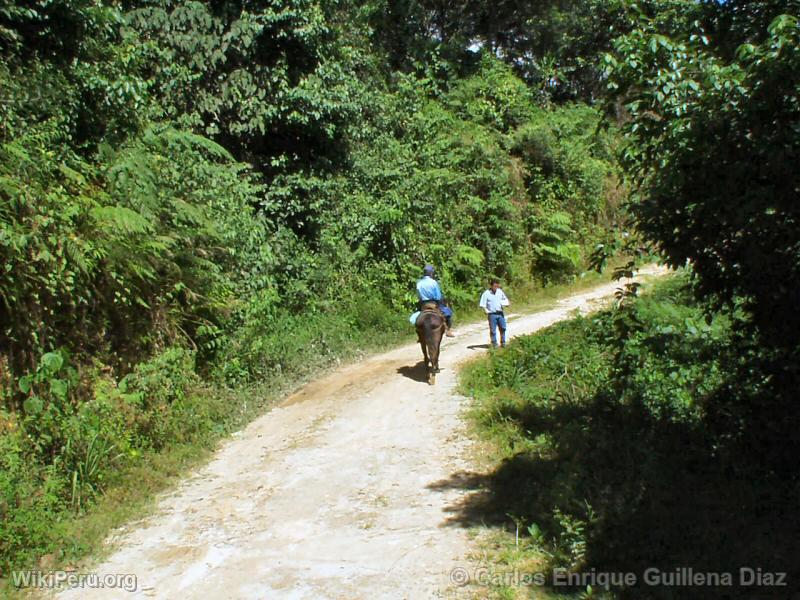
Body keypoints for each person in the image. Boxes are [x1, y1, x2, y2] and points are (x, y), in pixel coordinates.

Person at [416, 265, 455, 337]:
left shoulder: (419, 283)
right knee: (448, 312)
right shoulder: (434, 282)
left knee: (416, 316)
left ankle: (419, 333)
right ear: (431, 273)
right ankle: (448, 330)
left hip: (423, 304)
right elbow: (438, 296)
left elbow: (418, 296)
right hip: (434, 303)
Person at [479, 278, 510, 347]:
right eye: (495, 286)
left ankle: (503, 342)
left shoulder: (500, 292)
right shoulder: (486, 293)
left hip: (500, 313)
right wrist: (485, 310)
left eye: (497, 286)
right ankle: (494, 343)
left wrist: (506, 303)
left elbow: (505, 299)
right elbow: (482, 304)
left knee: (503, 328)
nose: (496, 287)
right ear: (491, 286)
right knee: (493, 330)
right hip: (492, 314)